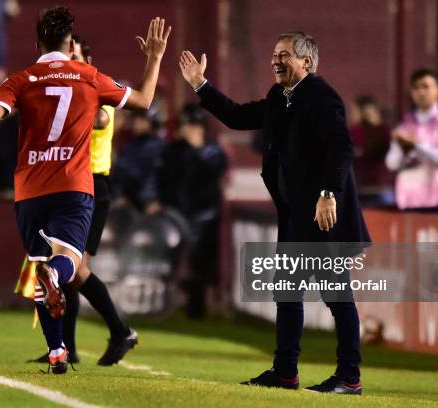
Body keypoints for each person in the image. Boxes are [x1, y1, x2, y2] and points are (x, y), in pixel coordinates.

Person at [0, 6, 171, 374]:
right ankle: (71, 311)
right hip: (73, 186)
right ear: (69, 41)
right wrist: (154, 58)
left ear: (37, 42)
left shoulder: (21, 80)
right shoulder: (89, 76)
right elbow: (143, 102)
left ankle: (58, 350)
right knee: (66, 266)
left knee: (43, 265)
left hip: (29, 189)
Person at [179, 31, 369, 394]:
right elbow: (236, 117)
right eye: (274, 54)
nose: (274, 61)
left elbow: (342, 149)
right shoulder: (279, 97)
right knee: (287, 294)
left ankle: (350, 376)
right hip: (296, 216)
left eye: (284, 55)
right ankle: (285, 373)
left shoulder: (321, 96)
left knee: (336, 295)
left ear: (306, 62)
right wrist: (201, 86)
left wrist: (329, 193)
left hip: (322, 216)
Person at [25, 35, 137, 366]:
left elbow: (101, 119)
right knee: (67, 269)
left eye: (74, 55)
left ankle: (120, 331)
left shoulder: (96, 89)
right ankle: (68, 346)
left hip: (93, 187)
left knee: (74, 268)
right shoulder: (73, 90)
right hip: (67, 187)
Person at [158, 104, 227, 318]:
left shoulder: (213, 150)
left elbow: (216, 172)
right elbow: (164, 176)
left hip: (204, 214)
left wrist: (198, 151)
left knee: (200, 262)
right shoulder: (174, 149)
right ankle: (164, 303)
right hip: (176, 212)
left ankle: (196, 308)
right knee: (168, 259)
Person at [385, 69, 438, 212]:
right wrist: (404, 150)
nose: (421, 92)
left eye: (425, 86)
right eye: (416, 88)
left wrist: (416, 147)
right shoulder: (405, 126)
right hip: (410, 202)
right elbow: (392, 164)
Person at [111, 104, 165, 214]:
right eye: (135, 118)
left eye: (142, 119)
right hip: (128, 206)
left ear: (153, 122)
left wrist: (151, 200)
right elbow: (120, 174)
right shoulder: (130, 146)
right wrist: (121, 194)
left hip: (150, 207)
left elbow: (154, 177)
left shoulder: (160, 147)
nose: (137, 122)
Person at [349, 95, 393, 206]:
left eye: (355, 110)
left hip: (380, 187)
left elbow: (384, 149)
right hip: (360, 187)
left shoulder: (383, 130)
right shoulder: (353, 131)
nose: (352, 114)